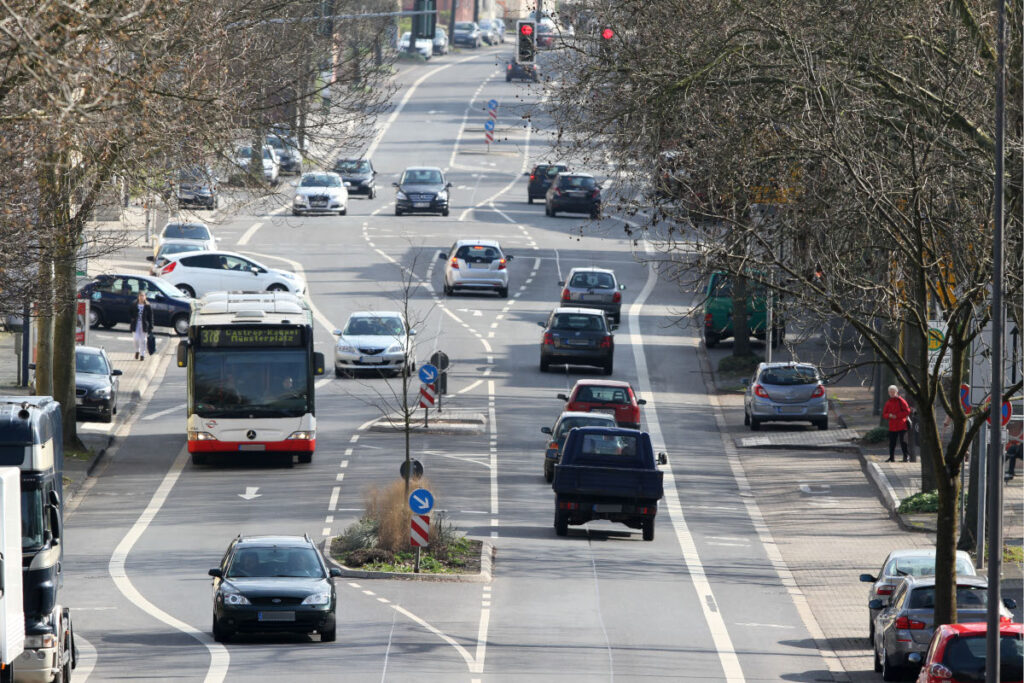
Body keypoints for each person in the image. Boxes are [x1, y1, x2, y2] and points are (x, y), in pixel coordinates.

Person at [883, 385, 912, 463]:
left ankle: (906, 457)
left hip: (902, 425)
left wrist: (897, 416)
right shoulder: (888, 402)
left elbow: (907, 411)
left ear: (896, 392)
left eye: (893, 392)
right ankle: (891, 457)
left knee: (903, 442)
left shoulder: (901, 401)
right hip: (892, 426)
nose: (892, 393)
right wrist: (889, 415)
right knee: (892, 443)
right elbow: (884, 414)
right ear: (888, 393)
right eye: (890, 392)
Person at [129, 292, 154, 361]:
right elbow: (130, 312)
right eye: (140, 296)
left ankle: (142, 354)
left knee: (143, 340)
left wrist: (151, 326)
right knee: (135, 339)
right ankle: (137, 351)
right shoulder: (134, 304)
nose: (141, 297)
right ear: (138, 297)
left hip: (144, 325)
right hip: (135, 324)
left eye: (143, 296)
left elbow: (150, 317)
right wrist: (132, 318)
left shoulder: (148, 306)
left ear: (145, 297)